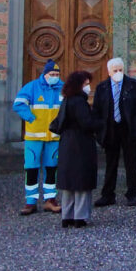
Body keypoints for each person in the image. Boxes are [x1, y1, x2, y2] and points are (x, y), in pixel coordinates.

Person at [93, 56, 136, 207]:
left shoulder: (133, 85)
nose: (118, 72)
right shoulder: (102, 87)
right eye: (115, 70)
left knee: (131, 163)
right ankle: (108, 194)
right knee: (111, 163)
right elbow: (97, 109)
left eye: (120, 70)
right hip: (110, 129)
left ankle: (132, 194)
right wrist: (99, 129)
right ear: (109, 72)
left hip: (128, 129)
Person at [12, 59, 63, 215]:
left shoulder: (62, 88)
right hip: (34, 137)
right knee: (31, 168)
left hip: (54, 137)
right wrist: (31, 118)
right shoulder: (32, 87)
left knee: (51, 168)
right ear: (45, 74)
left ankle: (50, 199)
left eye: (57, 74)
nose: (55, 76)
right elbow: (18, 104)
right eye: (52, 74)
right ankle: (30, 201)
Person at [54, 70, 103, 228]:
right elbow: (87, 123)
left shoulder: (67, 100)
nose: (88, 87)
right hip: (80, 144)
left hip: (67, 143)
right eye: (86, 84)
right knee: (82, 182)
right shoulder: (79, 102)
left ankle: (66, 216)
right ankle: (79, 217)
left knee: (69, 183)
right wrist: (100, 122)